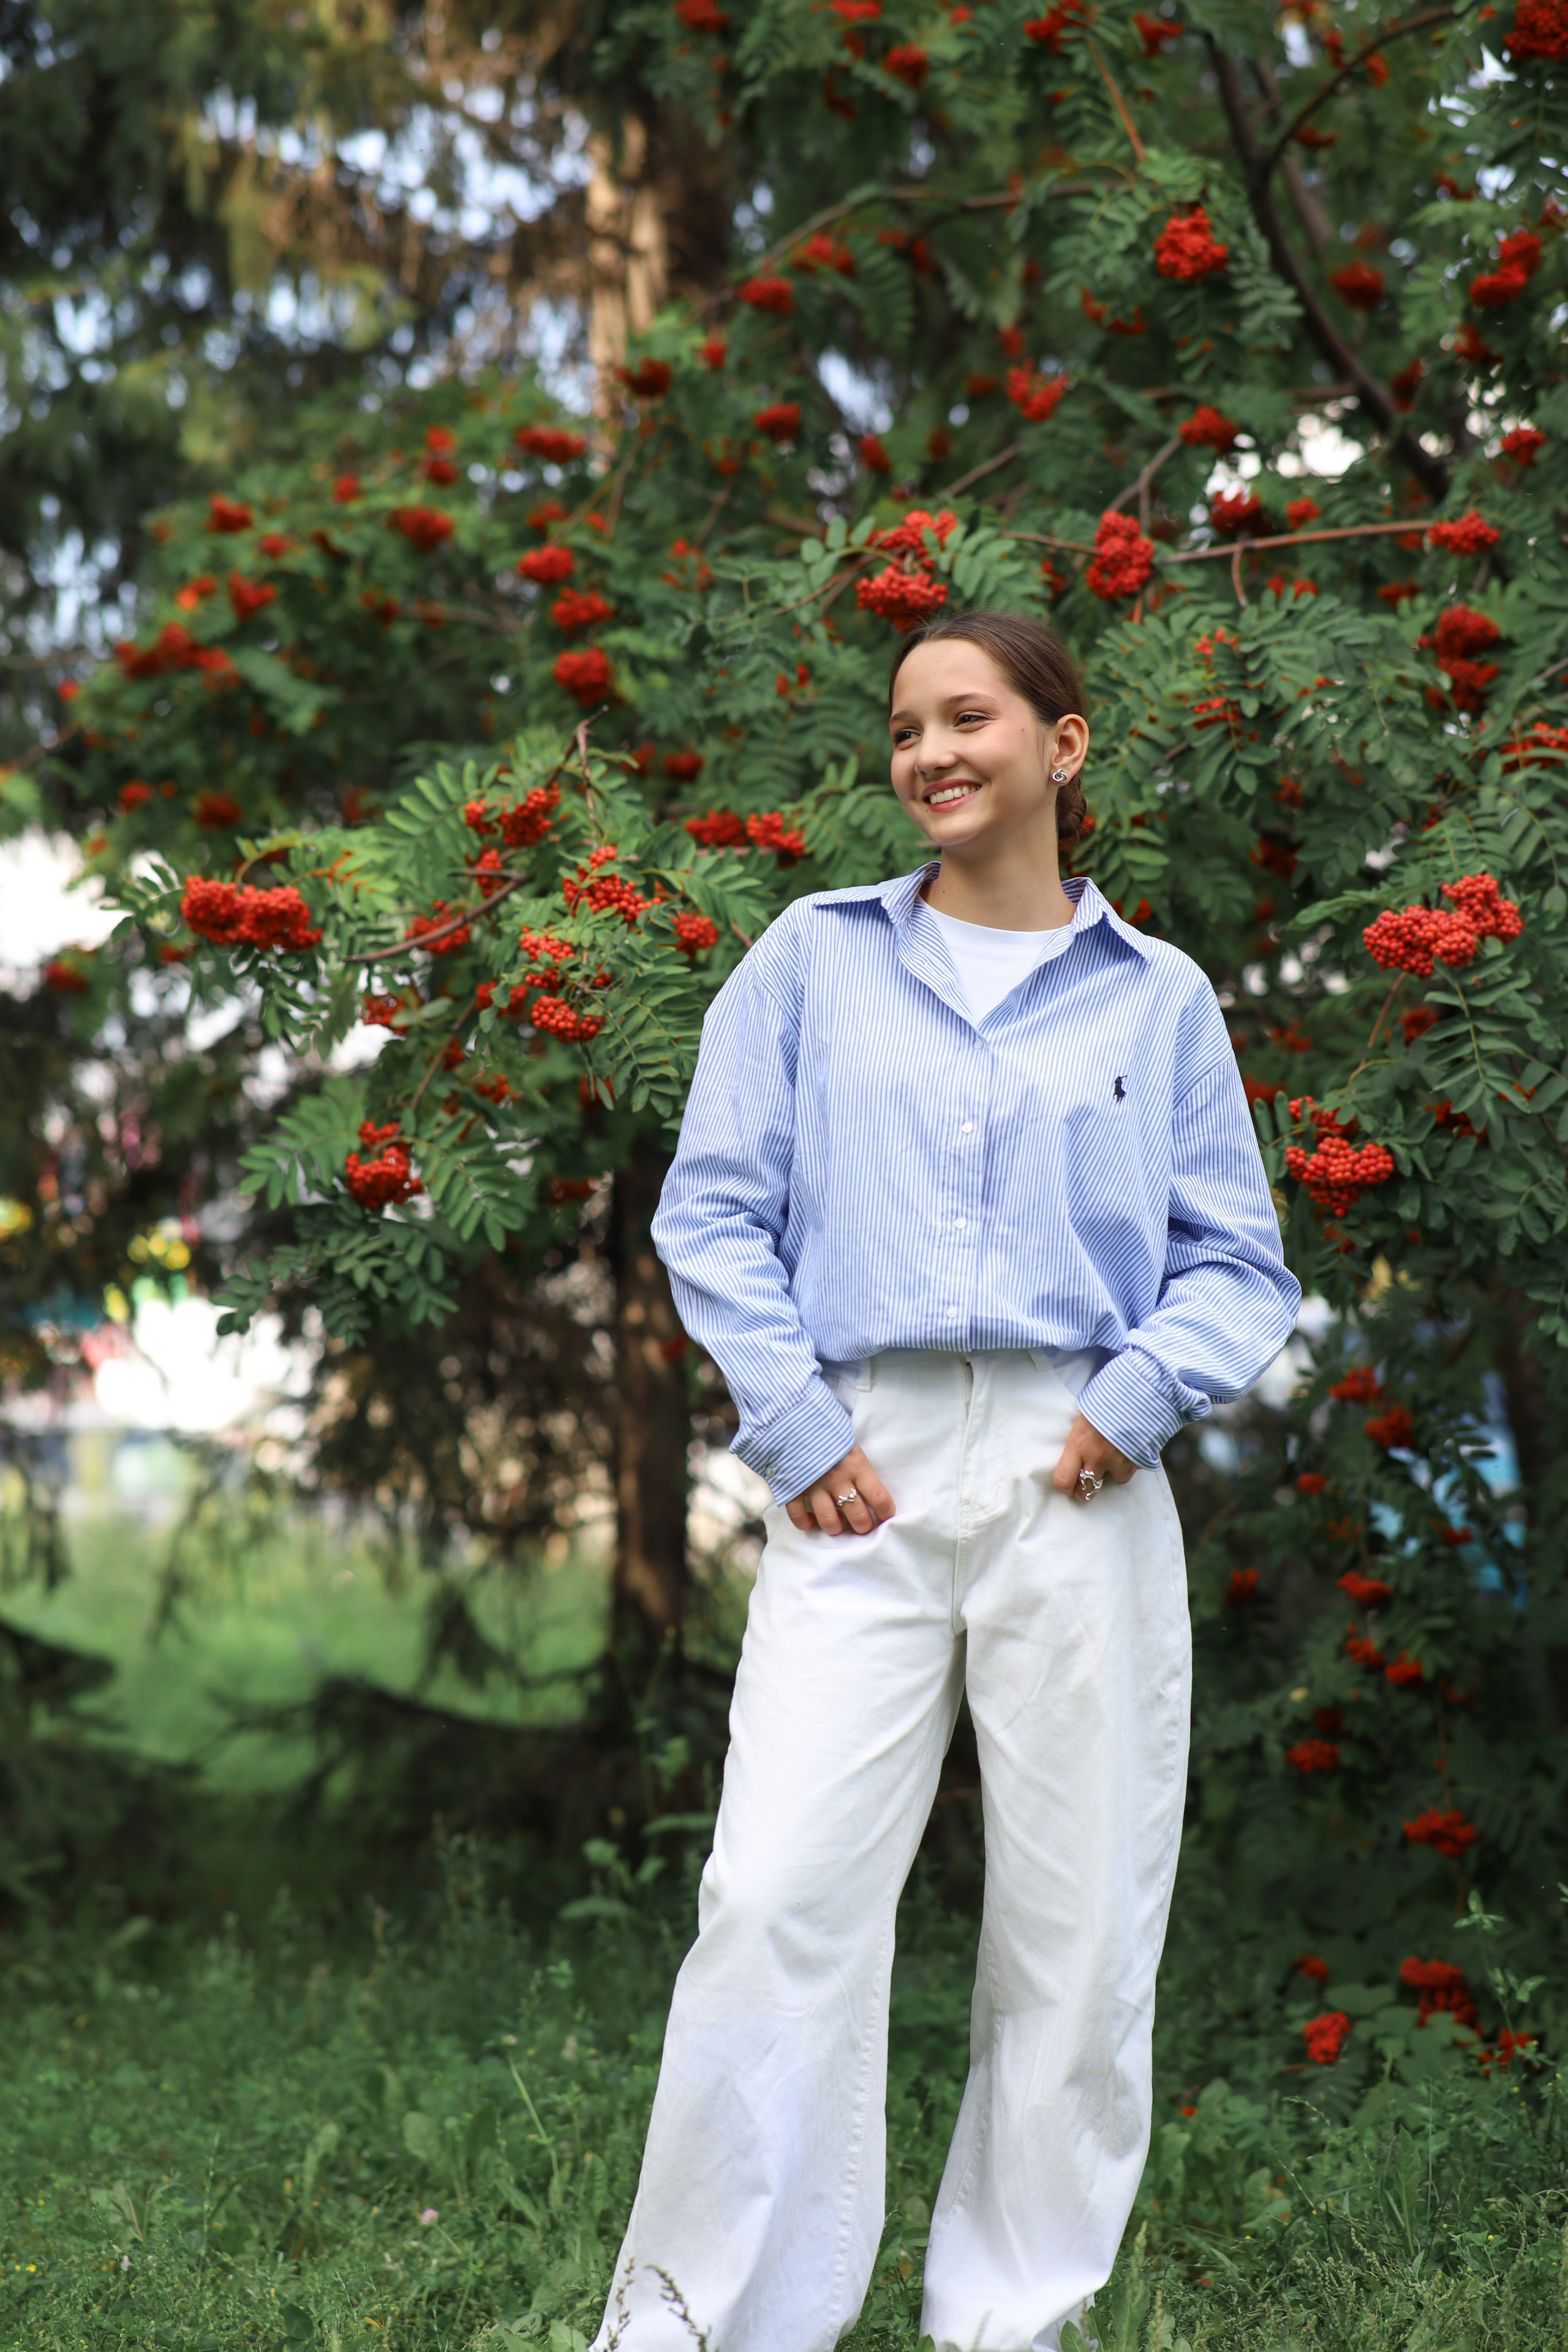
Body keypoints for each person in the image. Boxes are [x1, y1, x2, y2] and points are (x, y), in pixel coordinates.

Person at [593, 609, 1301, 2352]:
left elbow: (1239, 1264)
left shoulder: (1162, 996)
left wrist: (1133, 1403)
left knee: (1078, 1920)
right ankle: (704, 2321)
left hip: (1081, 1466)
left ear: (1062, 746)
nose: (931, 755)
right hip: (863, 1469)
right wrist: (796, 1423)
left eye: (967, 717)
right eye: (906, 728)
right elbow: (712, 1208)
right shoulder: (814, 963)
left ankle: (1011, 2317)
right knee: (774, 1893)